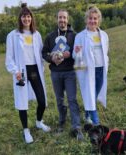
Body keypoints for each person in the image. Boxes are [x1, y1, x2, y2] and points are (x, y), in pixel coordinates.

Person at [5, 3, 50, 144]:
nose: (26, 19)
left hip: (35, 71)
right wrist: (15, 71)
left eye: (28, 16)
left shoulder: (36, 35)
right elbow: (9, 58)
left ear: (32, 18)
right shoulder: (12, 36)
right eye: (24, 16)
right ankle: (26, 130)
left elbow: (42, 53)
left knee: (42, 101)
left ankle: (38, 122)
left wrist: (53, 56)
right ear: (20, 18)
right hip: (22, 73)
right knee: (22, 102)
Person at [42, 9, 84, 140]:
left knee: (72, 99)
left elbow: (79, 53)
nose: (62, 20)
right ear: (57, 19)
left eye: (64, 18)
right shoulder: (50, 36)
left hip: (70, 72)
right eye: (60, 18)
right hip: (56, 73)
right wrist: (51, 58)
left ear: (68, 19)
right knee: (59, 100)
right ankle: (62, 122)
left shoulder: (75, 35)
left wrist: (70, 54)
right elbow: (44, 53)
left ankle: (76, 126)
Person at [73, 6, 109, 125]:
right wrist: (77, 51)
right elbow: (75, 56)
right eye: (90, 18)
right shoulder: (80, 36)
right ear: (86, 20)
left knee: (94, 94)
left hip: (101, 70)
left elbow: (106, 52)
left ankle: (87, 114)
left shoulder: (104, 35)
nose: (92, 21)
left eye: (95, 18)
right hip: (88, 71)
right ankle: (96, 123)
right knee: (90, 96)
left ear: (99, 19)